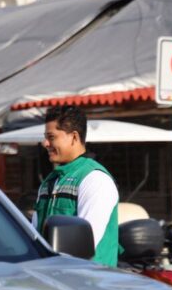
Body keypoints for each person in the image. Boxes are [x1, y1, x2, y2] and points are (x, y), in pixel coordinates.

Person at [32, 105, 121, 266]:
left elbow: (84, 244)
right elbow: (34, 235)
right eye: (45, 137)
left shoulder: (95, 179)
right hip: (52, 276)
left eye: (51, 137)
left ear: (74, 137)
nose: (45, 143)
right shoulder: (50, 181)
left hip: (90, 282)